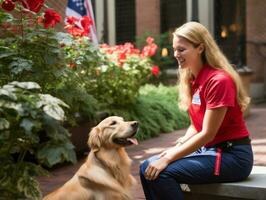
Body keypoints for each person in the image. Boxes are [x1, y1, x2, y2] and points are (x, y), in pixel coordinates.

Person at [139, 21, 253, 200]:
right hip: (211, 151)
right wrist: (180, 144)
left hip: (232, 157)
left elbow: (207, 133)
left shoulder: (218, 81)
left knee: (161, 173)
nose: (176, 54)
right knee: (146, 167)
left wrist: (170, 157)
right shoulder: (193, 78)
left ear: (200, 48)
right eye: (174, 49)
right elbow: (196, 124)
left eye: (181, 50)